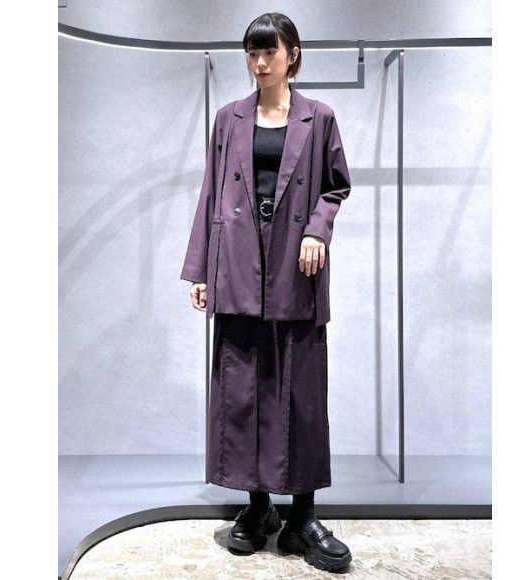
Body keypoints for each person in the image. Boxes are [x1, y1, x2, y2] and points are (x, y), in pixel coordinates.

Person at [181, 12, 352, 572]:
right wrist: (201, 269)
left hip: (294, 265)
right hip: (236, 262)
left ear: (292, 54)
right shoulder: (228, 118)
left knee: (300, 393)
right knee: (242, 391)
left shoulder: (319, 117)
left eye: (269, 52)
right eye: (252, 53)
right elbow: (211, 193)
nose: (259, 63)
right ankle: (258, 509)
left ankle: (303, 515)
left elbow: (336, 186)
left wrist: (316, 231)